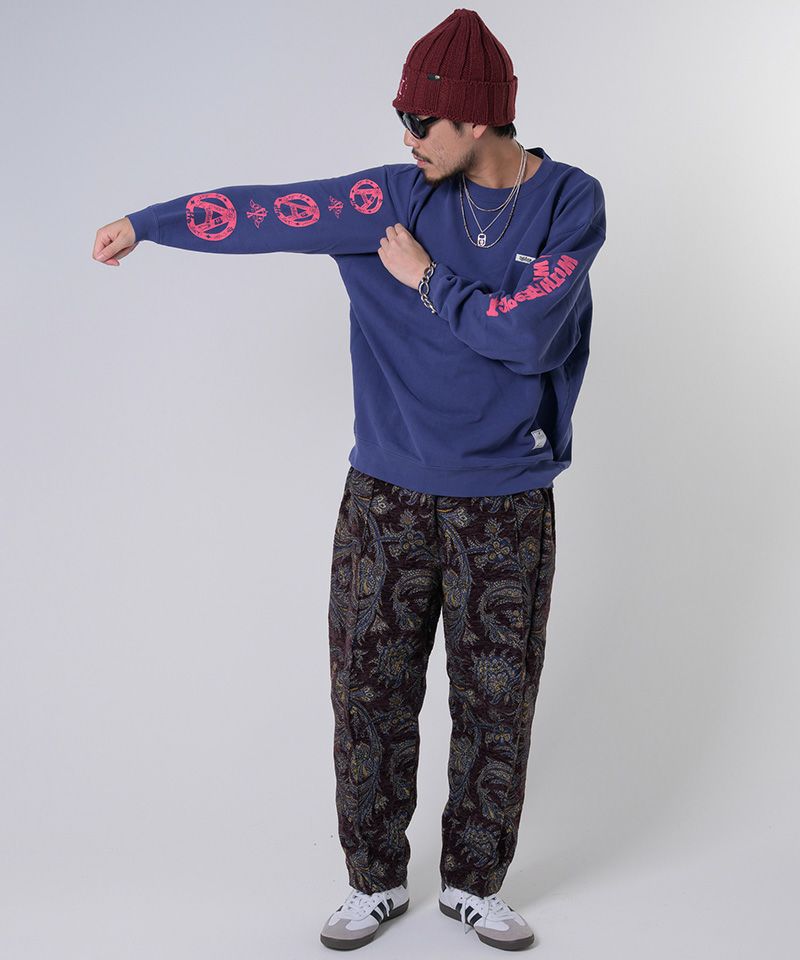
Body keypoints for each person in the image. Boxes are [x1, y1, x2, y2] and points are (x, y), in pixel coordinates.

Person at [93, 7, 606, 952]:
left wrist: (424, 280)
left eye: (422, 122)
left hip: (505, 499)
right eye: (400, 119)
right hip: (386, 496)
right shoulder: (385, 200)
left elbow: (529, 335)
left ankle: (473, 885)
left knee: (496, 702)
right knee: (369, 694)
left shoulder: (569, 199)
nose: (406, 138)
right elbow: (261, 212)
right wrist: (147, 225)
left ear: (480, 118)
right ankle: (373, 882)